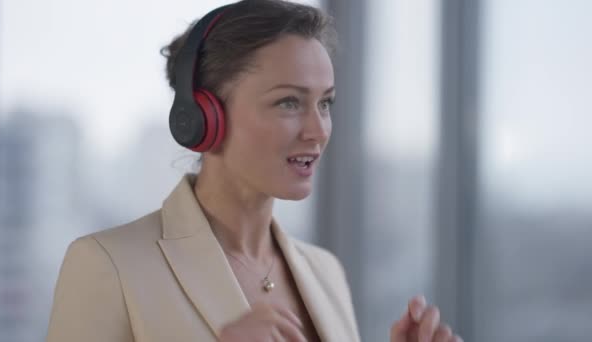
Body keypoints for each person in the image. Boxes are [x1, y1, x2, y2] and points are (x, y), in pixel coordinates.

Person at [46, 1, 461, 341]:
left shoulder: (325, 272)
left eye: (325, 103)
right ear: (205, 117)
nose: (318, 131)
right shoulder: (109, 265)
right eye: (289, 102)